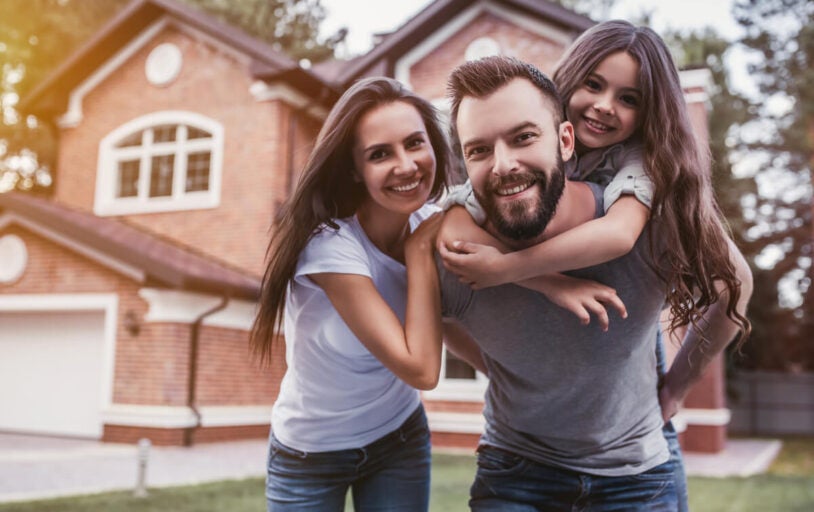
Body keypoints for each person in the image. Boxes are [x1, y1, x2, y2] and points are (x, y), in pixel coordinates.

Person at [439, 21, 751, 510]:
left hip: (635, 460)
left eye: (630, 99)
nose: (606, 105)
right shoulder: (513, 163)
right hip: (518, 460)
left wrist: (675, 390)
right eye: (593, 84)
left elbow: (635, 239)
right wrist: (512, 354)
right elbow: (446, 242)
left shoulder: (645, 168)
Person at [250, 76, 460, 511]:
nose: (406, 165)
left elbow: (447, 319)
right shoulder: (329, 245)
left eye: (414, 143)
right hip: (310, 454)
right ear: (355, 170)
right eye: (380, 154)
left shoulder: (436, 222)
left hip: (398, 438)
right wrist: (419, 250)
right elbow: (421, 369)